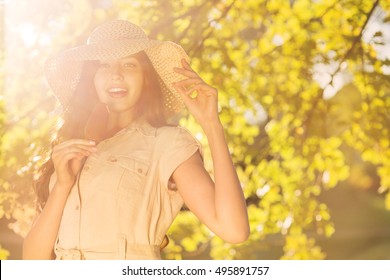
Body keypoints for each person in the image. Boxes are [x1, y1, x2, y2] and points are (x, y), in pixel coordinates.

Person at [23, 19, 249, 260]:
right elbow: (33, 261)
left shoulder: (167, 143)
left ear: (146, 78)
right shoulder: (69, 150)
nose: (116, 75)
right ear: (92, 79)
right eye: (103, 66)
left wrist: (212, 125)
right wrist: (62, 185)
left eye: (129, 64)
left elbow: (234, 230)